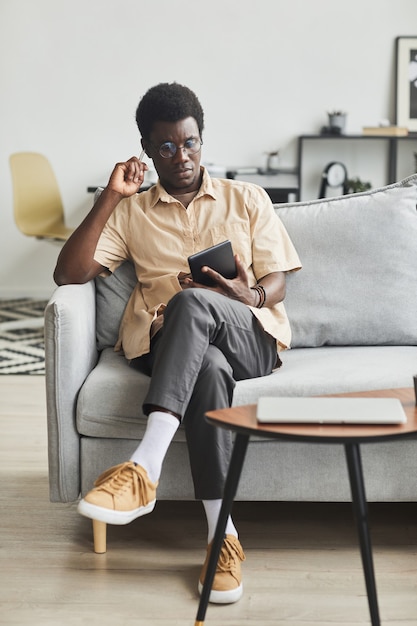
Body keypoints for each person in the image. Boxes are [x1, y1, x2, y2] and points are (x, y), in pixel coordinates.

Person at [54, 82, 301, 605]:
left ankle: (144, 467)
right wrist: (109, 197)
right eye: (166, 146)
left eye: (190, 143)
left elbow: (278, 280)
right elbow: (69, 273)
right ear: (147, 150)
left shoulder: (246, 198)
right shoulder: (131, 211)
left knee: (193, 303)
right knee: (206, 365)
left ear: (201, 140)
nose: (181, 156)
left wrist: (246, 292)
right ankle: (222, 537)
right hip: (170, 346)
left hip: (248, 336)